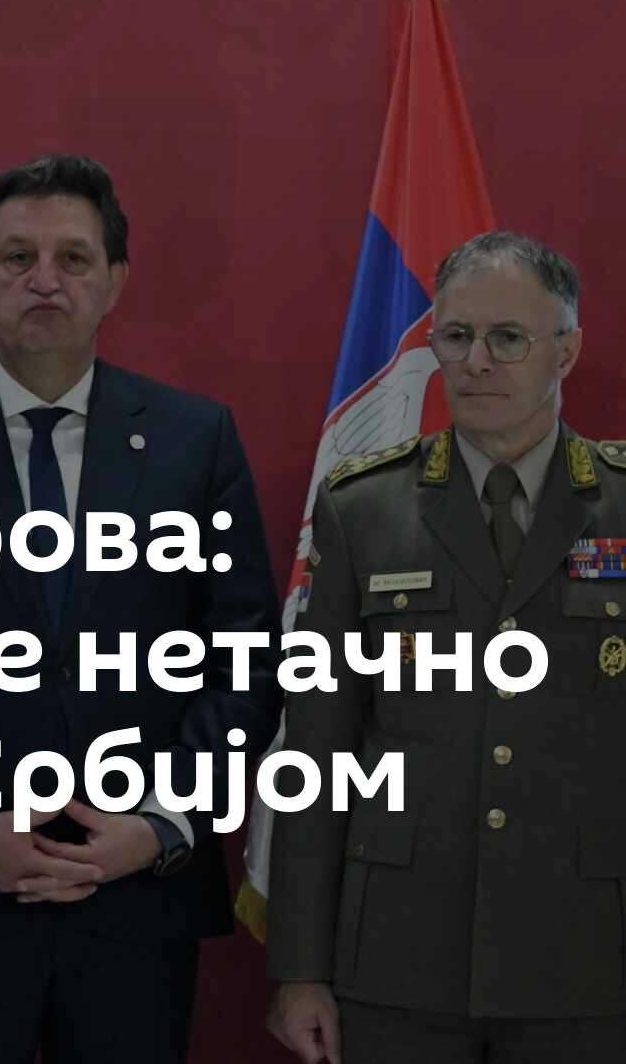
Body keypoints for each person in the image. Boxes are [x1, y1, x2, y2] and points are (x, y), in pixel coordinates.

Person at [0, 154, 284, 1062]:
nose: (45, 280)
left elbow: (249, 658)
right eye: (18, 257)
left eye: (74, 258)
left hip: (137, 900)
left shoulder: (195, 440)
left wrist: (159, 822)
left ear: (115, 281)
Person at [267, 231, 626, 1063]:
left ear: (566, 352)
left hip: (590, 955)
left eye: (508, 338)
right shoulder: (364, 509)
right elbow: (319, 755)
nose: (476, 362)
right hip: (400, 956)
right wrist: (300, 969)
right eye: (456, 336)